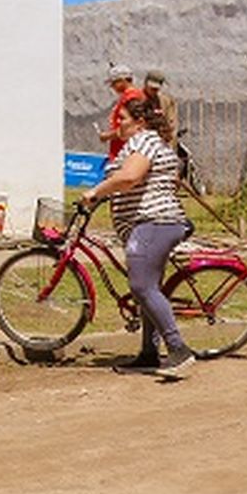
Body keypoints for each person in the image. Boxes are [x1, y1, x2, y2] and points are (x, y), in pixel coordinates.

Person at [81, 96, 195, 379]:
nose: (116, 124)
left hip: (153, 222)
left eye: (121, 119)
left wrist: (97, 191)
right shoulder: (146, 142)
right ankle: (149, 353)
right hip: (148, 224)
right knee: (147, 288)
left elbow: (130, 177)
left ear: (139, 123)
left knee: (141, 286)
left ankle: (179, 350)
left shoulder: (143, 141)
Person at [99, 64, 144, 161]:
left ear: (122, 81)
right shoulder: (127, 96)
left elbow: (131, 127)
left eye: (114, 83)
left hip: (126, 151)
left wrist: (107, 136)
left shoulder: (131, 98)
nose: (112, 87)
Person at [142, 69, 178, 138]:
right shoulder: (138, 98)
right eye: (151, 88)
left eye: (156, 89)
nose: (153, 91)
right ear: (145, 84)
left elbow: (171, 122)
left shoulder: (165, 101)